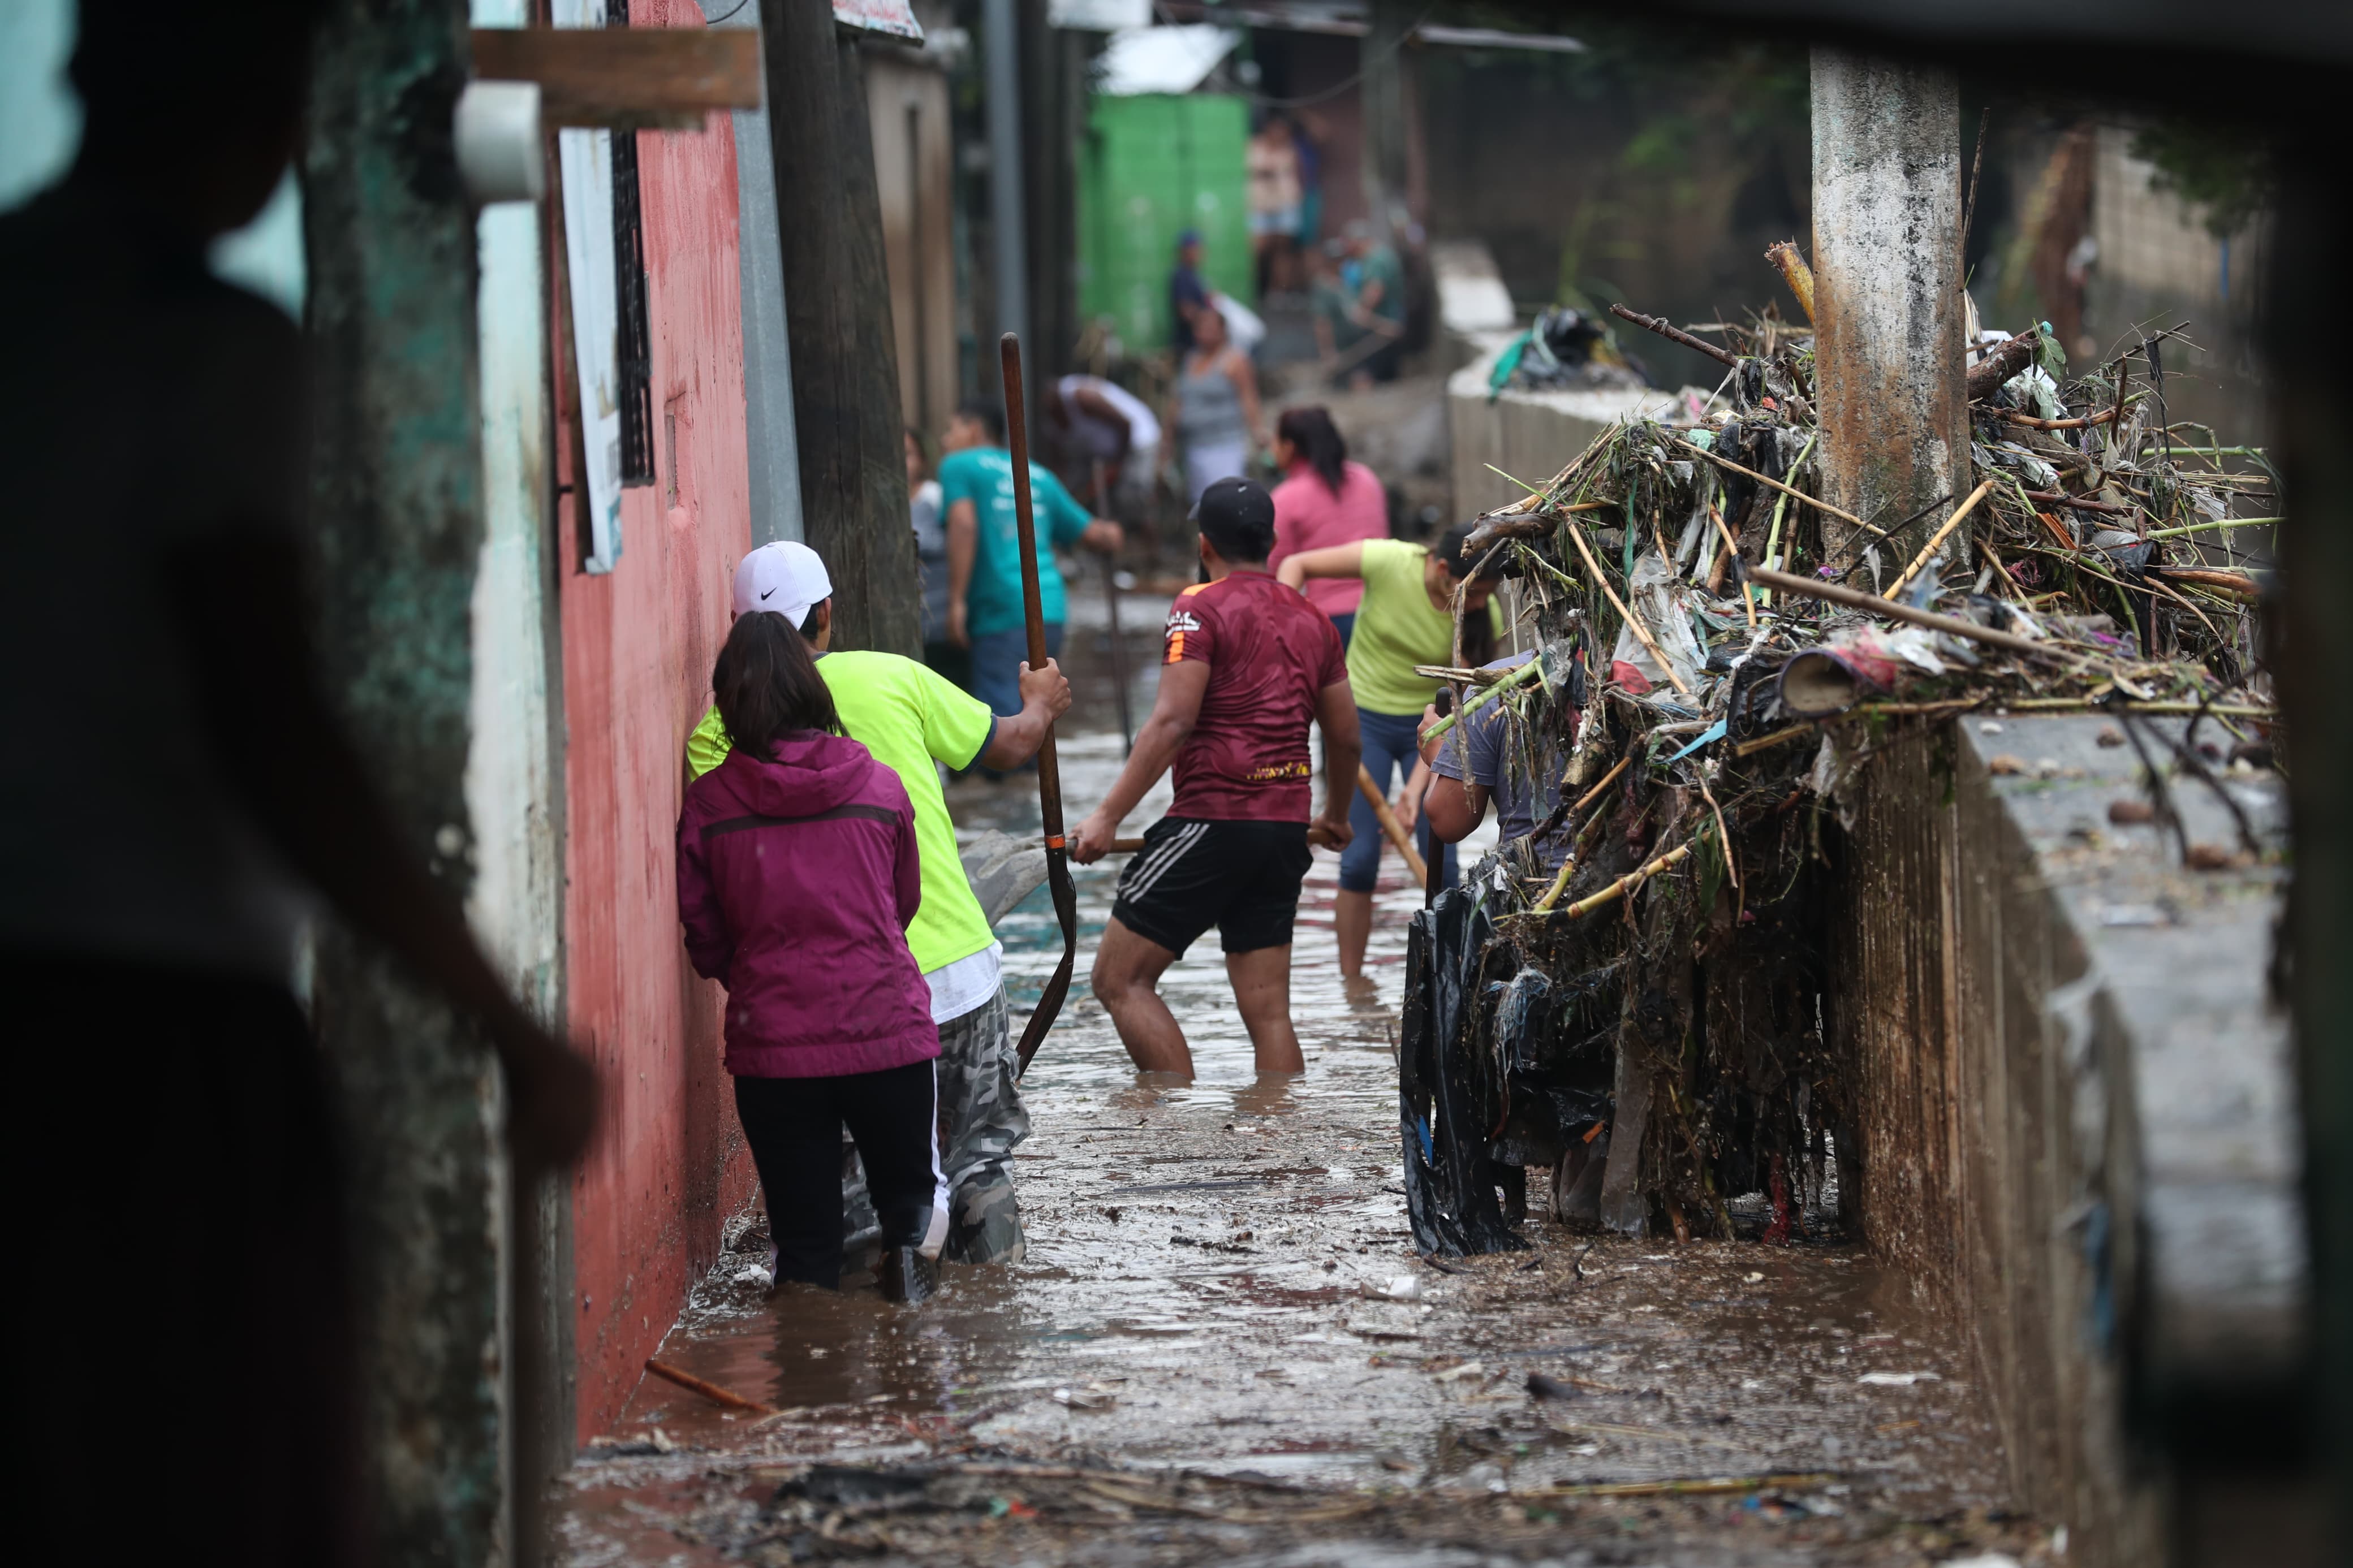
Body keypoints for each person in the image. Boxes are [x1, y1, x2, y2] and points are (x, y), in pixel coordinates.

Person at [5, 3, 594, 1560]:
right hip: (152, 1026)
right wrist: (502, 1016)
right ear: (272, 125)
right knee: (214, 1472)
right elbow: (274, 721)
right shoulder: (210, 349)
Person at [687, 542, 1071, 1267]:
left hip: (823, 1013)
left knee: (859, 1212)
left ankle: (877, 1356)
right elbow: (1010, 742)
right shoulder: (891, 675)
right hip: (951, 976)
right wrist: (1041, 702)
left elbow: (716, 893)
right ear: (827, 613)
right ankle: (994, 1336)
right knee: (978, 1165)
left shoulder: (715, 739)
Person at [677, 612, 949, 1303]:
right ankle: (915, 1388)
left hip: (775, 1049)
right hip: (886, 1033)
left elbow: (704, 934)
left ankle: (808, 1392)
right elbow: (902, 902)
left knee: (803, 1247)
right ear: (812, 688)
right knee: (909, 1222)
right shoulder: (882, 787)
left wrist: (763, 980)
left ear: (728, 699)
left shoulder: (709, 805)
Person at [1073, 478, 1359, 1081]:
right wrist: (1334, 815)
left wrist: (1106, 818)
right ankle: (1275, 1133)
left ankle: (1174, 1123)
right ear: (1274, 541)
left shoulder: (1196, 606)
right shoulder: (1313, 617)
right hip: (1284, 828)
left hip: (1213, 820)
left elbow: (1172, 721)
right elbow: (1345, 737)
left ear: (1204, 544)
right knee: (1270, 1016)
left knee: (1118, 979)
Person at [1275, 522, 1505, 982]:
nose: (1481, 602)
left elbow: (1465, 709)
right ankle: (1353, 986)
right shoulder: (1388, 561)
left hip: (1432, 725)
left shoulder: (1483, 614)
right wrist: (1282, 630)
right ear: (1442, 570)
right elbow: (1297, 564)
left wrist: (1416, 791)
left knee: (1442, 856)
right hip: (1365, 722)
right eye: (1474, 591)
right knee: (1359, 859)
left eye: (1486, 593)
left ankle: (1449, 977)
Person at [937, 400, 1122, 724]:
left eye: (951, 429)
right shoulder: (1036, 474)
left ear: (975, 430)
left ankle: (1009, 778)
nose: (944, 440)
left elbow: (964, 524)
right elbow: (1096, 535)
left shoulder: (958, 465)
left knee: (1003, 731)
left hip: (1000, 611)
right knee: (1035, 714)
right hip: (1048, 610)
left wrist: (956, 603)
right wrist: (1114, 533)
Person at [1415, 648, 1579, 871]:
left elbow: (1449, 822)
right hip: (1635, 886)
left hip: (1534, 889)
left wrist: (1442, 754)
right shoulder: (1637, 675)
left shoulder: (1496, 686)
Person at [1266, 407, 1389, 646]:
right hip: (1383, 614)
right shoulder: (1367, 478)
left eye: (1275, 441)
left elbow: (1274, 571)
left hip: (1327, 621)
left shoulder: (1286, 498)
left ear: (1289, 447)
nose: (1272, 449)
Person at [1165, 302, 1266, 507]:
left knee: (1228, 500)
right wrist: (1167, 438)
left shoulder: (1234, 361)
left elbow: (1248, 398)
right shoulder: (1190, 360)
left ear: (1223, 332)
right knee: (1202, 504)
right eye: (1201, 328)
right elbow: (1178, 400)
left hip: (1224, 444)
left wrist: (1258, 431)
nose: (1206, 333)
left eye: (1212, 328)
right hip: (1194, 445)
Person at [1046, 372, 1160, 520]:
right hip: (1104, 453)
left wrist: (1117, 464)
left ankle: (1144, 535)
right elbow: (1060, 464)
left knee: (1132, 497)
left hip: (1137, 441)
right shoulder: (1052, 421)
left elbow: (1126, 425)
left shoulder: (1083, 397)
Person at [907, 427, 964, 687]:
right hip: (905, 624)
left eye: (908, 454)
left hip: (940, 620)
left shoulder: (936, 498)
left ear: (922, 460)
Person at [1340, 222, 1408, 385]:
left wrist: (1360, 311)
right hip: (1386, 324)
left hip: (1382, 326)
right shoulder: (1381, 255)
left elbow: (1375, 290)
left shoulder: (1375, 260)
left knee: (1372, 375)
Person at [1247, 114, 1304, 294]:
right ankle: (1255, 288)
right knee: (1258, 247)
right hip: (1258, 205)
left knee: (1283, 249)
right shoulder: (1253, 147)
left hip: (1285, 203)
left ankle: (1279, 290)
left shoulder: (1289, 150)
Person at [1169, 228, 1210, 355]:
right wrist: (1208, 321)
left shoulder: (1194, 275)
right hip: (1188, 343)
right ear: (1185, 251)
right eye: (1196, 249)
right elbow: (1186, 311)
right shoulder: (1181, 276)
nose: (1199, 253)